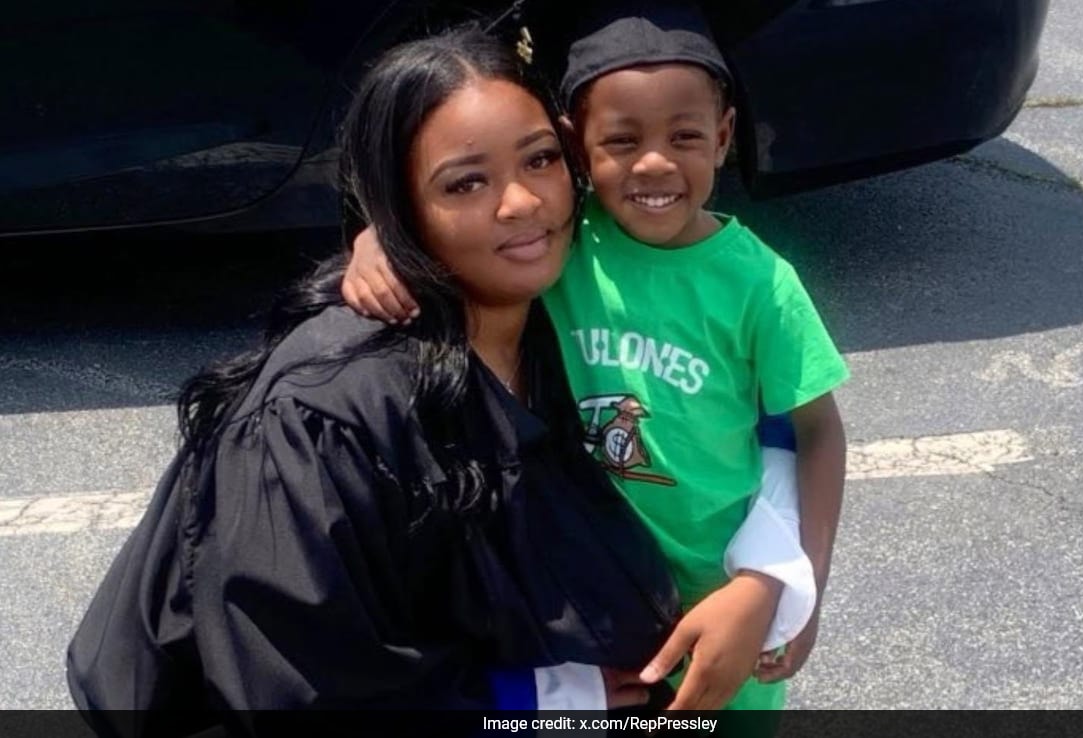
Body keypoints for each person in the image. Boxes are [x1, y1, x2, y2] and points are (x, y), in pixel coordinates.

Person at [65, 26, 684, 736]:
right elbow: (300, 689)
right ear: (398, 209)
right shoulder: (324, 415)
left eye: (540, 159)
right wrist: (535, 701)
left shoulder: (567, 316)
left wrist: (766, 578)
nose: (521, 202)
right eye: (465, 182)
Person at [341, 1, 850, 721]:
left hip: (721, 597)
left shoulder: (762, 286)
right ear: (577, 147)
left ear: (724, 135)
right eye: (621, 140)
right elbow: (462, 229)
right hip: (589, 597)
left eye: (685, 136)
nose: (654, 162)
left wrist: (799, 587)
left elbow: (817, 430)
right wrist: (378, 241)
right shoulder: (564, 246)